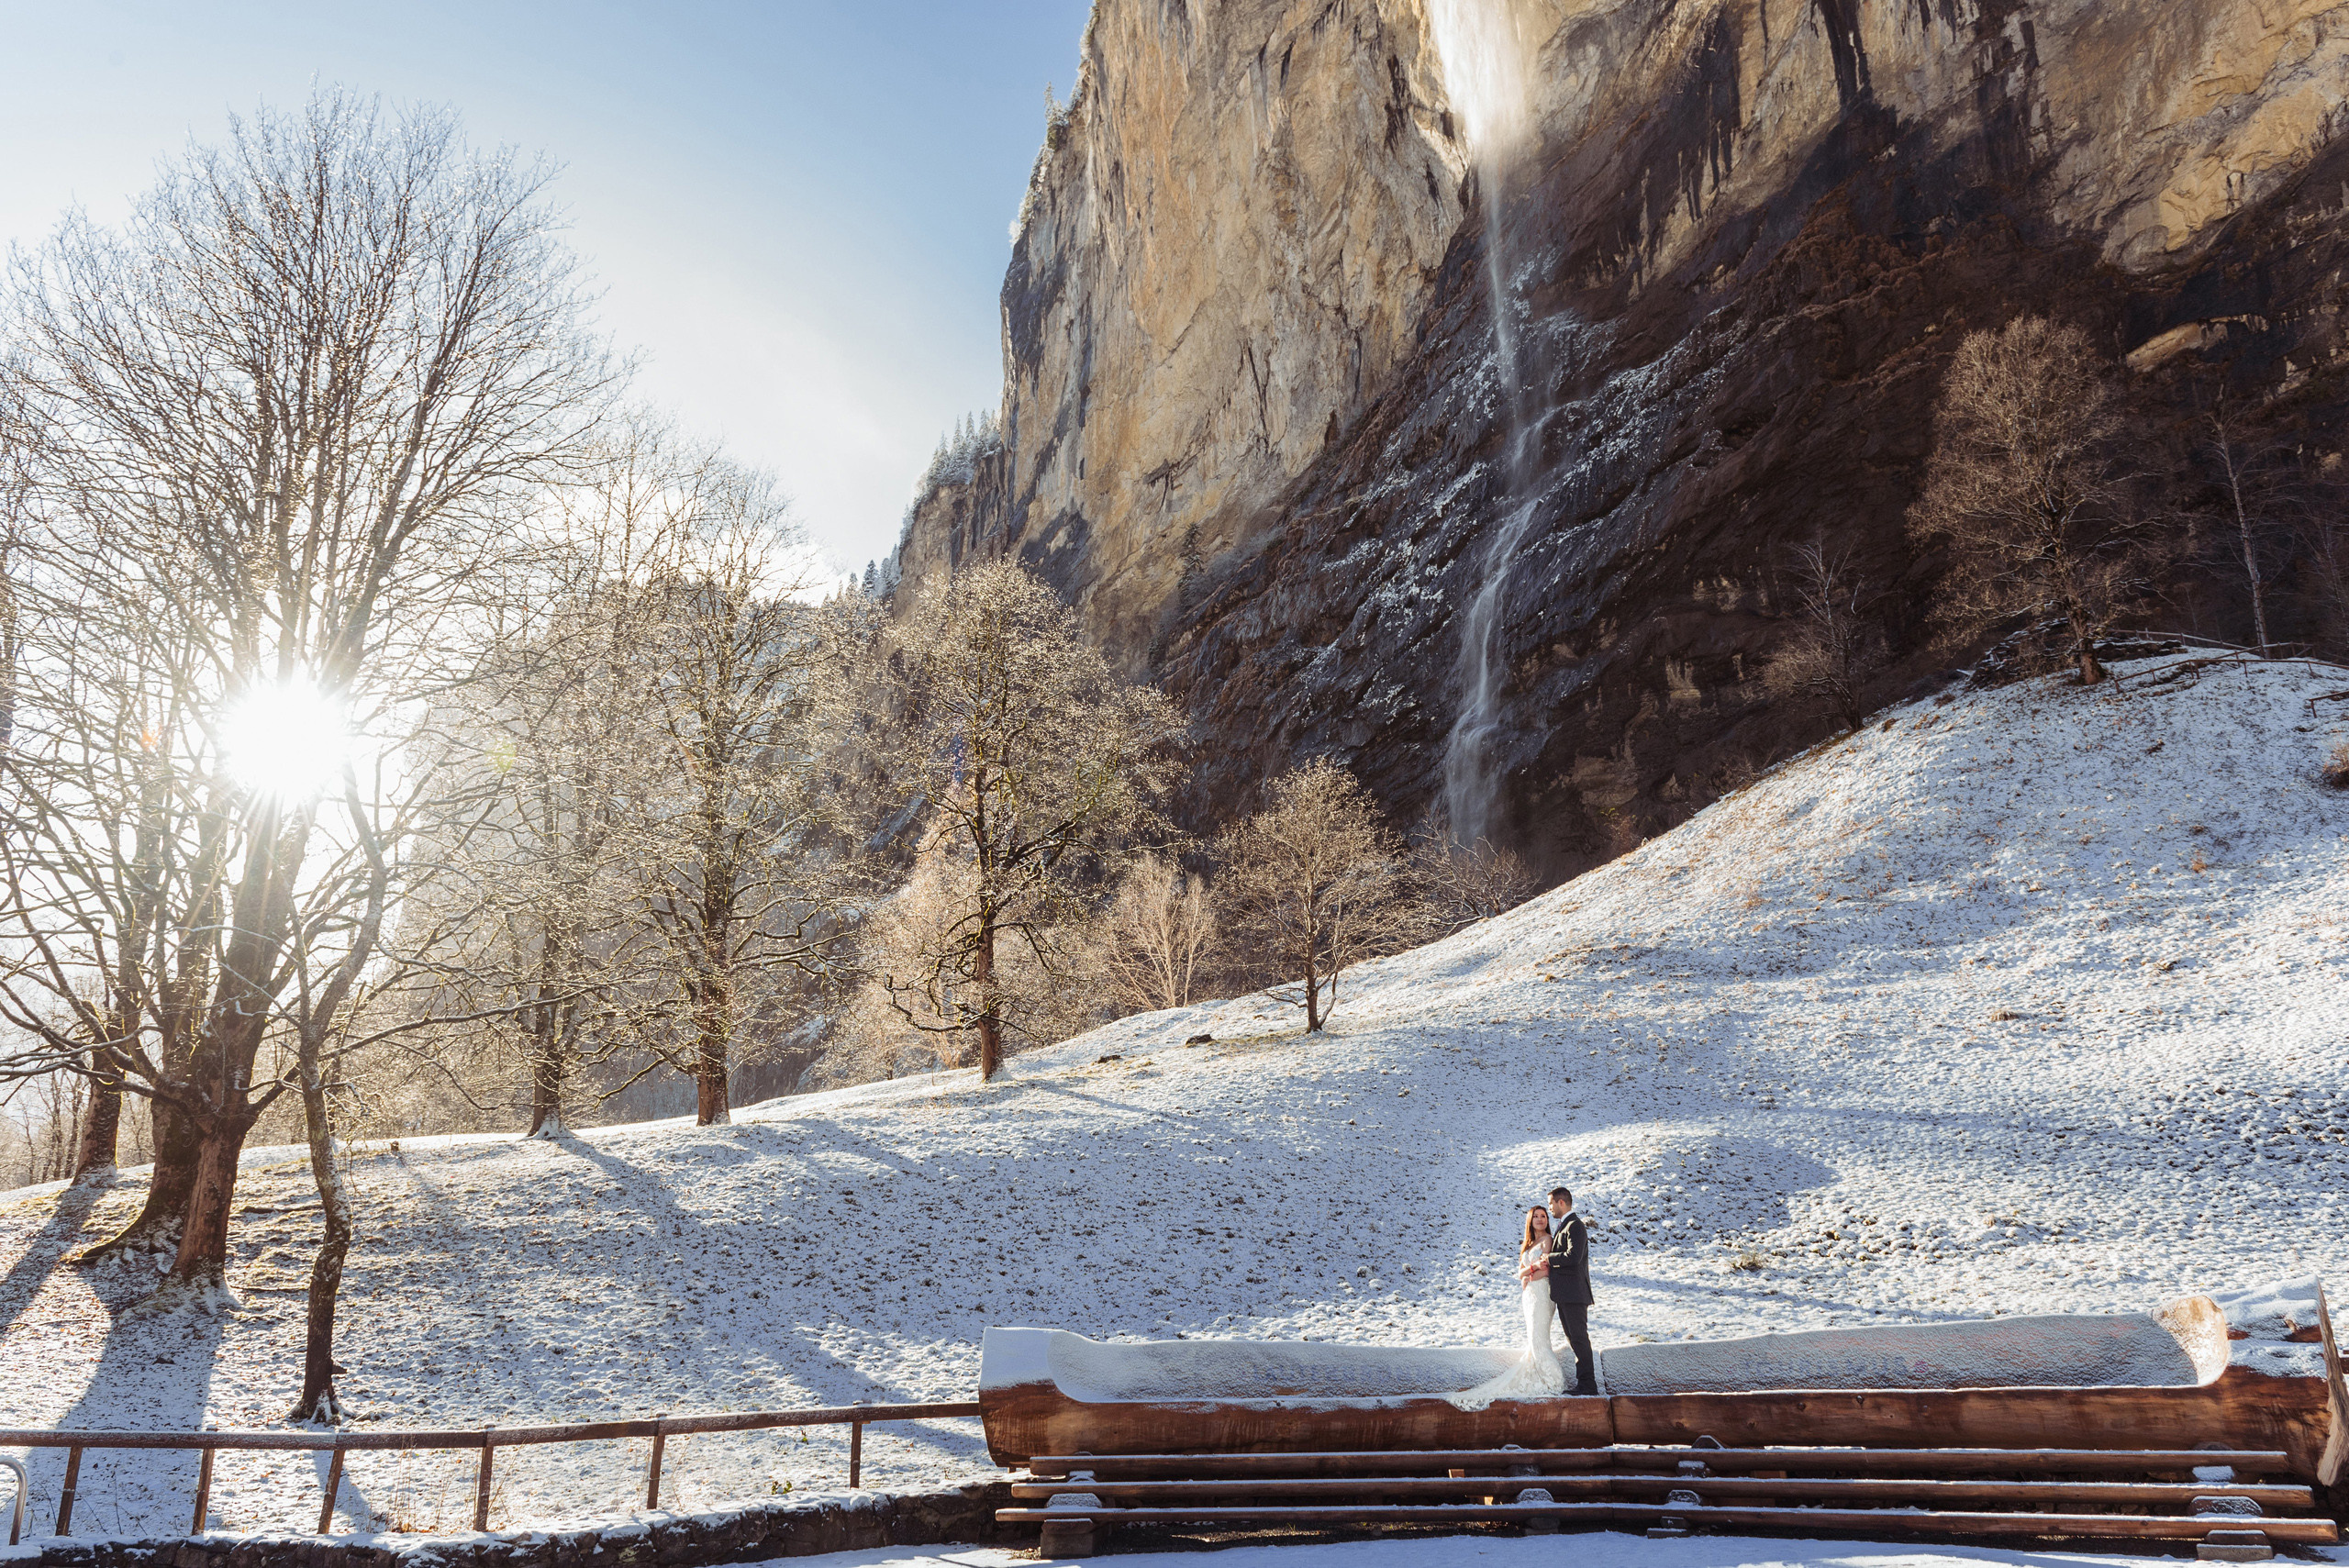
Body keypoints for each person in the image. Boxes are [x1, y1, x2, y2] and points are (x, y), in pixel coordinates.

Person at [1444, 1206, 1565, 1410]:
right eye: (1536, 1216)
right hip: (1529, 1296)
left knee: (1539, 1338)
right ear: (1530, 1221)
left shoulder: (1547, 1240)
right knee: (1533, 1339)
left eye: (1543, 1216)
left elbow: (1546, 1270)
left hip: (1542, 1293)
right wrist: (1531, 1269)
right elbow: (1520, 1273)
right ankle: (1537, 1375)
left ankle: (1554, 1379)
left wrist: (1530, 1275)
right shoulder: (1528, 1244)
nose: (1540, 1219)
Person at [1545, 1185, 1598, 1395]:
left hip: (1575, 1294)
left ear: (1561, 1202)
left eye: (1551, 1204)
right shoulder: (1565, 1225)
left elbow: (1573, 1257)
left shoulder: (1575, 1225)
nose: (1550, 1208)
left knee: (1579, 1338)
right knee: (1574, 1338)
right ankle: (1584, 1384)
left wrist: (1548, 1258)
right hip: (1566, 1295)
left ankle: (1588, 1385)